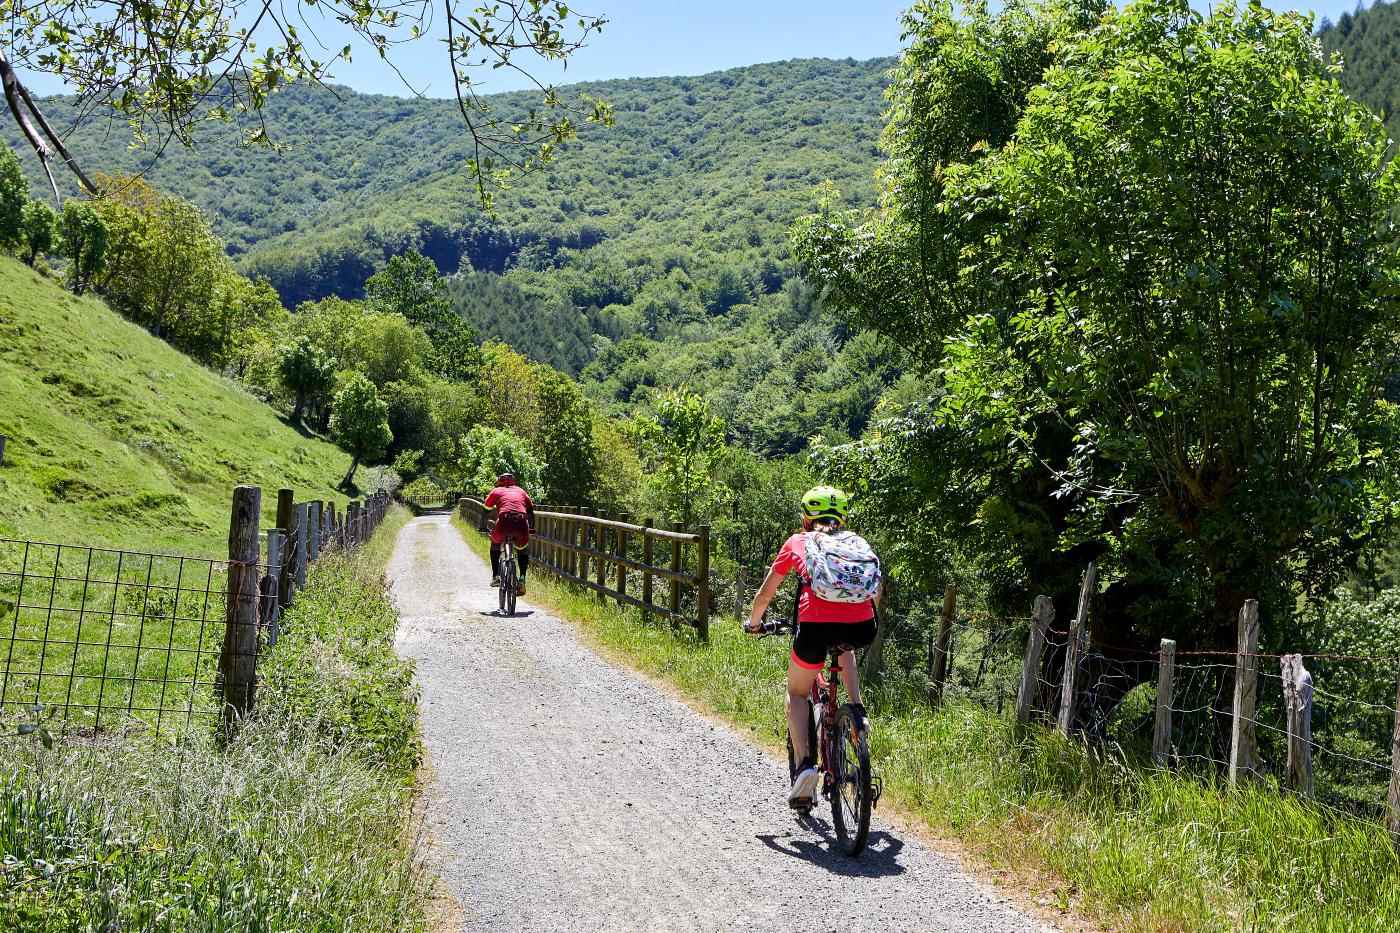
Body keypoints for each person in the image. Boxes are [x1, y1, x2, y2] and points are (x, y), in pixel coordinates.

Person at [744, 485, 880, 808]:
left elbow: (765, 595)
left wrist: (753, 624)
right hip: (863, 626)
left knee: (797, 692)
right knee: (844, 646)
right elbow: (875, 592)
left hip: (815, 627)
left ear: (806, 518)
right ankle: (856, 711)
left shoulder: (797, 542)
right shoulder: (856, 544)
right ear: (841, 518)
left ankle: (805, 767)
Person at [484, 472, 534, 595]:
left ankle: (496, 577)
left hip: (504, 523)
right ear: (514, 481)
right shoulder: (522, 492)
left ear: (499, 481)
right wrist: (532, 528)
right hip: (522, 523)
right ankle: (522, 578)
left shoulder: (496, 491)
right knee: (522, 550)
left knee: (495, 544)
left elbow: (485, 510)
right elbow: (531, 511)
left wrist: (482, 525)